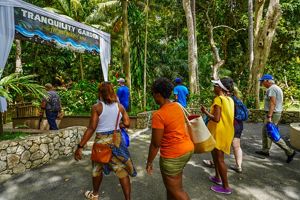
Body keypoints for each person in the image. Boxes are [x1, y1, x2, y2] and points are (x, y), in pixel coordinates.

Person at [74, 82, 136, 200]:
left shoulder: (97, 107)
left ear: (100, 93)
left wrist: (80, 146)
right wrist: (118, 125)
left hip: (101, 143)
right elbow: (128, 123)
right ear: (112, 92)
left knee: (97, 169)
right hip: (117, 141)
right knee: (122, 171)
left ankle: (95, 195)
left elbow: (92, 128)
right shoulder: (120, 107)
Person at [146, 77, 194, 200]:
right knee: (172, 186)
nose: (153, 96)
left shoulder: (159, 115)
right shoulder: (177, 106)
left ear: (158, 94)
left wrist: (149, 162)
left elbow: (156, 144)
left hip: (173, 156)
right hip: (187, 149)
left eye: (153, 94)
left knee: (176, 191)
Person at [201, 78, 234, 195]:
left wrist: (205, 112)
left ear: (220, 88)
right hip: (226, 131)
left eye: (215, 85)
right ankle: (217, 177)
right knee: (215, 155)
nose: (214, 87)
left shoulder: (218, 99)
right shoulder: (229, 99)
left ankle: (226, 187)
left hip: (219, 132)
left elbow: (216, 118)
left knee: (220, 159)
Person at [255, 74, 296, 163]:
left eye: (262, 81)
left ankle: (290, 151)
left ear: (267, 81)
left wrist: (269, 116)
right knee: (265, 132)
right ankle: (265, 150)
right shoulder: (276, 88)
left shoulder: (272, 89)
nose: (262, 83)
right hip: (274, 113)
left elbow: (273, 103)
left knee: (272, 134)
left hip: (272, 114)